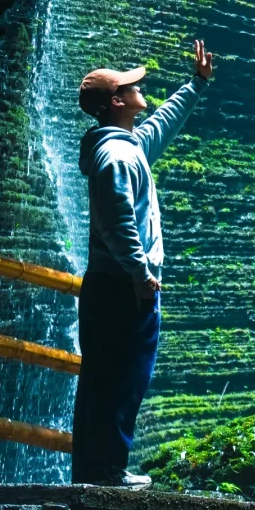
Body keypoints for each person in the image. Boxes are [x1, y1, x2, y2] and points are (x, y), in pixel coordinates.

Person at [71, 39, 213, 486]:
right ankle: (107, 472)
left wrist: (197, 84)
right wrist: (141, 273)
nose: (138, 88)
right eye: (130, 86)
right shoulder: (116, 156)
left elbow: (162, 124)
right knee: (122, 377)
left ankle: (94, 471)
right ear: (117, 101)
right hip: (122, 286)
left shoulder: (125, 144)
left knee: (103, 378)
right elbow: (117, 223)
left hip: (111, 283)